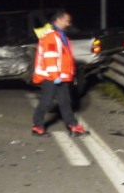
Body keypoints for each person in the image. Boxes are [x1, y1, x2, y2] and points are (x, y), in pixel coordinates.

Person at [31, 9, 87, 138]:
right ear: (59, 19)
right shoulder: (51, 36)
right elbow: (50, 57)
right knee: (46, 102)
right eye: (67, 21)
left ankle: (73, 127)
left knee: (65, 101)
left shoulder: (61, 36)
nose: (69, 23)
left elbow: (64, 57)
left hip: (60, 76)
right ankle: (37, 126)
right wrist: (55, 76)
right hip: (51, 76)